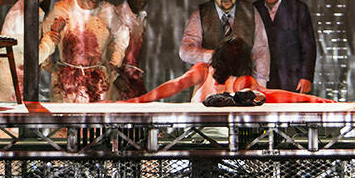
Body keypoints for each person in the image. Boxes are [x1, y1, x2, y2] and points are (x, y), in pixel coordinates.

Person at [124, 35, 331, 104]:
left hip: (220, 141)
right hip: (201, 139)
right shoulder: (205, 70)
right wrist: (313, 99)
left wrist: (139, 100)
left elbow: (176, 85)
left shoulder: (235, 80)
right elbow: (175, 85)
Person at [38, 0, 130, 103]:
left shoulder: (107, 10)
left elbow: (122, 33)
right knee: (65, 121)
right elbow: (44, 32)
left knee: (96, 121)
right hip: (66, 81)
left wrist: (114, 62)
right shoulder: (62, 8)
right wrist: (46, 64)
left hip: (98, 81)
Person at [179, 0, 270, 86]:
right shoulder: (200, 14)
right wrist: (217, 56)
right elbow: (185, 51)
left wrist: (261, 86)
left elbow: (261, 52)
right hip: (208, 87)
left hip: (242, 87)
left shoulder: (251, 12)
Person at [253, 0, 318, 94]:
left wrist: (306, 76)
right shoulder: (254, 9)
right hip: (263, 79)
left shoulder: (298, 9)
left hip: (293, 78)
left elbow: (308, 46)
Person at [0, 0, 55, 102]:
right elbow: (33, 57)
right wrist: (52, 36)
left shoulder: (28, 11)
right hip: (13, 83)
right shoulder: (23, 16)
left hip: (18, 79)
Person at [109, 0, 151, 101]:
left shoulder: (142, 18)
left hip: (134, 79)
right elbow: (102, 49)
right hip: (117, 81)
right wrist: (115, 77)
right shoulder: (116, 15)